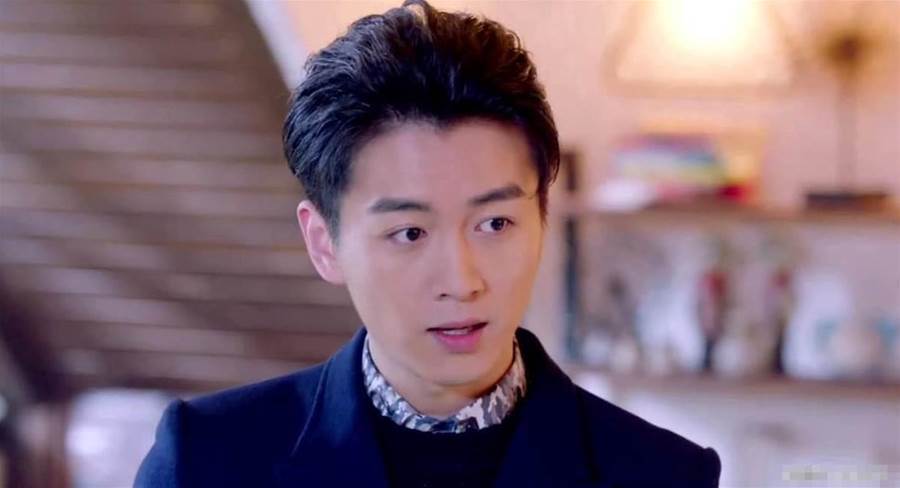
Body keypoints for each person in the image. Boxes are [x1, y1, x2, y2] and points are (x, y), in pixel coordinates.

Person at [134, 1, 721, 486]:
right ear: (324, 242)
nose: (462, 281)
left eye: (495, 224)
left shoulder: (664, 474)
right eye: (410, 233)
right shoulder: (207, 459)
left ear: (543, 217)